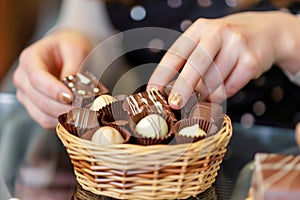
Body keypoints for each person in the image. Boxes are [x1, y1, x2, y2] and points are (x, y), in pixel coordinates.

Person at [13, 0, 300, 129]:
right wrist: (71, 42)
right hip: (155, 169)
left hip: (280, 156)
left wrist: (287, 36)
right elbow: (90, 29)